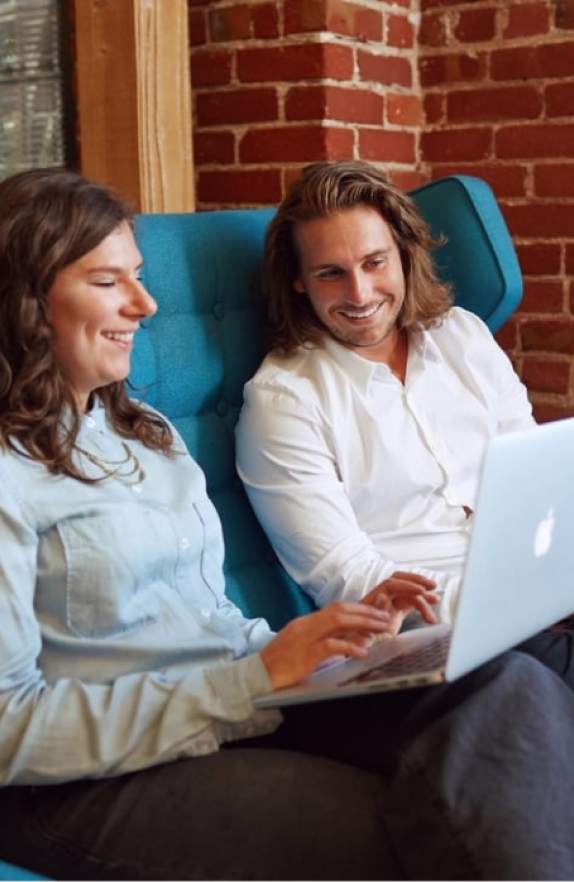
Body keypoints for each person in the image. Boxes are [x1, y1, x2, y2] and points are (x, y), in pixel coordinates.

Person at [1, 168, 574, 882]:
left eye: (139, 277)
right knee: (427, 821)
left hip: (239, 696)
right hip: (86, 776)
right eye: (108, 282)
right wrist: (253, 680)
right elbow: (7, 730)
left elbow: (203, 617)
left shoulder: (141, 430)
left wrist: (325, 646)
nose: (146, 305)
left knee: (506, 685)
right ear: (24, 302)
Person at [235, 159, 536, 626]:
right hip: (431, 637)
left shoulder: (465, 336)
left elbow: (533, 482)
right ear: (298, 280)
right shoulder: (283, 402)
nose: (359, 294)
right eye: (330, 273)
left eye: (374, 263)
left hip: (533, 591)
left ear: (403, 252)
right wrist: (515, 603)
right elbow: (349, 578)